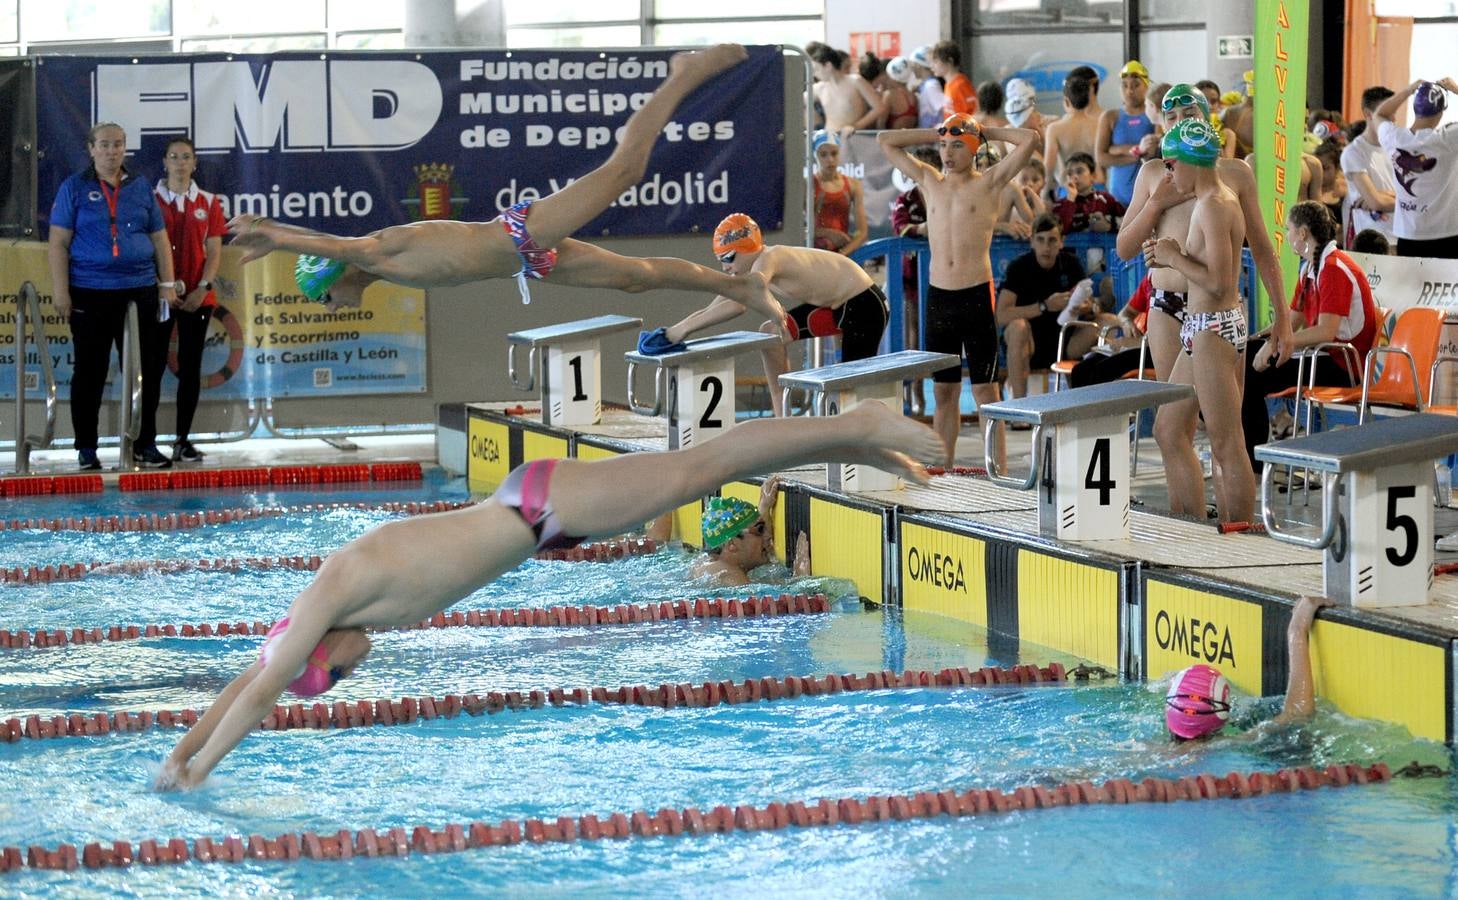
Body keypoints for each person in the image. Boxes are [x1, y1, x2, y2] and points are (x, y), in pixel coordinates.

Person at [153, 400, 945, 790]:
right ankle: (860, 441)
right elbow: (246, 682)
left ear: (321, 653)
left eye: (342, 673)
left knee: (700, 468)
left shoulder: (333, 596)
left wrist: (200, 773)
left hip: (541, 508)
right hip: (534, 514)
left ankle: (858, 418)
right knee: (699, 469)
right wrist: (178, 752)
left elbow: (261, 693)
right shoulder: (329, 613)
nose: (360, 668)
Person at [225, 45, 786, 333]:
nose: (329, 307)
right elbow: (339, 252)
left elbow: (339, 247)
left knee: (623, 172)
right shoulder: (378, 267)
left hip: (518, 233)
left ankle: (684, 75)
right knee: (635, 280)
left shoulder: (380, 251)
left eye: (322, 297)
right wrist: (285, 235)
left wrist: (275, 234)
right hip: (526, 260)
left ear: (330, 277)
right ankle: (737, 289)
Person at [879, 113, 1041, 466]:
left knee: (985, 390)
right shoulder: (928, 180)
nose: (947, 153)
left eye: (956, 145)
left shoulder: (990, 182)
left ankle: (995, 468)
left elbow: (1028, 138)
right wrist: (937, 130)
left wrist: (983, 131)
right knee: (944, 391)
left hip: (976, 296)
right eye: (942, 146)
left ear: (972, 149)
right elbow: (885, 140)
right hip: (939, 298)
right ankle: (942, 469)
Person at [1117, 82, 1292, 388]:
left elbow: (1263, 250)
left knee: (1222, 417)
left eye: (1190, 113)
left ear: (1208, 117)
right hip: (1167, 306)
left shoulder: (1235, 173)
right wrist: (1156, 204)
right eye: (1171, 117)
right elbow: (1124, 248)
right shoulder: (1153, 173)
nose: (1181, 122)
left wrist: (1283, 317)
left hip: (1220, 308)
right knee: (1174, 416)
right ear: (1161, 123)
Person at [647, 213, 887, 416]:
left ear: (746, 248)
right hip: (838, 308)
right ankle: (782, 415)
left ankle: (878, 438)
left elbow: (736, 305)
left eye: (728, 258)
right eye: (720, 260)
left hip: (866, 305)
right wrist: (674, 331)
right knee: (770, 333)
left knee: (851, 391)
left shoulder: (769, 258)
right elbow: (718, 304)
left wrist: (680, 332)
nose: (724, 267)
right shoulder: (753, 271)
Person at [47, 122, 179, 471]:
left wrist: (167, 284)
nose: (111, 151)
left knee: (147, 369)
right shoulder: (74, 188)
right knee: (90, 370)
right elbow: (58, 243)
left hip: (140, 290)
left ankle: (144, 443)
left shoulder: (139, 188)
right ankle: (86, 448)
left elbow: (160, 240)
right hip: (90, 291)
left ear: (125, 149)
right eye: (104, 145)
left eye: (118, 145)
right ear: (91, 149)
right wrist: (61, 291)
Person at [1143, 118, 1256, 526]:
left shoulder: (1215, 204)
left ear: (1192, 159)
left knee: (1226, 444)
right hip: (1201, 328)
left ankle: (1238, 538)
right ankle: (1190, 526)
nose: (1169, 175)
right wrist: (1170, 256)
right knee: (1168, 429)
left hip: (1214, 330)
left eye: (1172, 165)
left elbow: (1221, 283)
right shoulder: (1213, 200)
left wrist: (1174, 258)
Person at [1241, 202, 1379, 471]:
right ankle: (1241, 453)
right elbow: (1289, 321)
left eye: (1289, 230)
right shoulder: (1310, 269)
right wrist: (1257, 340)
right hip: (1322, 356)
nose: (1288, 235)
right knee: (1244, 356)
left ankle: (1251, 464)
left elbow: (1326, 332)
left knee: (1251, 377)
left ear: (1303, 233)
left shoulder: (1335, 268)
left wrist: (1277, 344)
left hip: (1344, 365)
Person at [1165, 595, 1333, 741]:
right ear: (1221, 714)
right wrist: (1297, 629)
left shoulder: (1145, 751)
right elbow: (1298, 714)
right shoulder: (1231, 745)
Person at [153, 137, 226, 463]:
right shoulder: (150, 199)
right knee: (152, 369)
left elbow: (214, 252)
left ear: (195, 163)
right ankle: (145, 442)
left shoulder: (209, 202)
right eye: (174, 157)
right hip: (159, 295)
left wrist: (202, 288)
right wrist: (161, 286)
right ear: (164, 163)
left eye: (186, 157)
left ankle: (182, 440)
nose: (180, 163)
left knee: (190, 367)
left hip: (199, 297)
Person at [996, 214, 1113, 399]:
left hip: (1063, 340)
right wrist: (1044, 306)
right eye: (1040, 240)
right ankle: (1019, 407)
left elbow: (1089, 302)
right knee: (1018, 328)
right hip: (1028, 343)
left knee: (1109, 322)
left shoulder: (1071, 263)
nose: (1046, 247)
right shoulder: (1019, 267)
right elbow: (1001, 315)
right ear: (1032, 241)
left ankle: (1101, 400)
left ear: (1061, 242)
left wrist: (1086, 307)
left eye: (1052, 240)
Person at [1374, 78, 1458, 259]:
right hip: (1447, 235)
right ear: (1441, 113)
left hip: (1408, 235)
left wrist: (1408, 90)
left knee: (1410, 288)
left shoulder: (1393, 138)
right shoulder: (1448, 139)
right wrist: (1456, 89)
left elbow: (1379, 114)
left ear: (1414, 109)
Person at [691, 477, 808, 586]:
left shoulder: (706, 565)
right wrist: (801, 580)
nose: (768, 536)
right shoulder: (731, 577)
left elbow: (747, 531)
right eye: (760, 530)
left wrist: (764, 508)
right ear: (732, 544)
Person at [1096, 60, 1157, 208]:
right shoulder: (1110, 117)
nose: (1129, 91)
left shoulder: (1153, 115)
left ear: (1146, 86)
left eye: (1136, 85)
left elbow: (1155, 153)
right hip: (1117, 197)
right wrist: (1138, 152)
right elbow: (1101, 158)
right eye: (1124, 85)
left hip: (1148, 197)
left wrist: (1116, 149)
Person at [1341, 86, 1397, 246]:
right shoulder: (1353, 152)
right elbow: (1375, 202)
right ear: (1368, 114)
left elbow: (1412, 194)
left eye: (1393, 112)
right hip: (1372, 244)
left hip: (1401, 236)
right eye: (1386, 113)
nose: (1393, 118)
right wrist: (1404, 202)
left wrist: (1386, 197)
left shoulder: (1395, 146)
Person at [810, 130, 868, 256]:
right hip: (817, 252)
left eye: (834, 153)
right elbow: (798, 230)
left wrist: (843, 255)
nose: (830, 159)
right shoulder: (808, 185)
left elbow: (863, 233)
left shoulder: (853, 185)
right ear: (815, 156)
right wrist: (828, 233)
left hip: (842, 251)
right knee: (824, 243)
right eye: (823, 155)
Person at [810, 44, 885, 139]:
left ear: (828, 66)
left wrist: (856, 126)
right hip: (828, 140)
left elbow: (879, 107)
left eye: (817, 69)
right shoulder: (818, 88)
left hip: (853, 137)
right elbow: (798, 101)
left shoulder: (855, 81)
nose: (815, 74)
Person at [1044, 76, 1102, 194]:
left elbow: (1048, 168)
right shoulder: (1099, 125)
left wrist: (1044, 194)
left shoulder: (1055, 128)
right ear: (1089, 99)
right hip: (1096, 185)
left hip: (1069, 187)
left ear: (1066, 101)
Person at [1051, 152, 1124, 233]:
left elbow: (1127, 222)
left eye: (1079, 171)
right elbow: (1059, 232)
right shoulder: (1060, 204)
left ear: (1093, 176)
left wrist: (1110, 226)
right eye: (1069, 173)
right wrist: (1070, 199)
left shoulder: (1106, 199)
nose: (1074, 176)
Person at [861, 53, 917, 130]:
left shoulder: (889, 95)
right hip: (908, 139)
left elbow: (880, 125)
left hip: (894, 139)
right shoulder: (913, 95)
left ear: (887, 74)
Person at [995, 158, 1046, 238]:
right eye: (1024, 179)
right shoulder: (1007, 200)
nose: (1030, 184)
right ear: (1015, 181)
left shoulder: (1044, 204)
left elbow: (1044, 224)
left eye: (1035, 180)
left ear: (1044, 183)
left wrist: (1033, 196)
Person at [930, 41, 976, 118]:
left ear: (950, 61)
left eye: (936, 62)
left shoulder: (961, 85)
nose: (932, 66)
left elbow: (973, 114)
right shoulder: (948, 84)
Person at [907, 46, 948, 130]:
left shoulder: (931, 85)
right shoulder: (927, 84)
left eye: (913, 65)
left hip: (933, 137)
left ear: (918, 65)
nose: (912, 68)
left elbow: (943, 108)